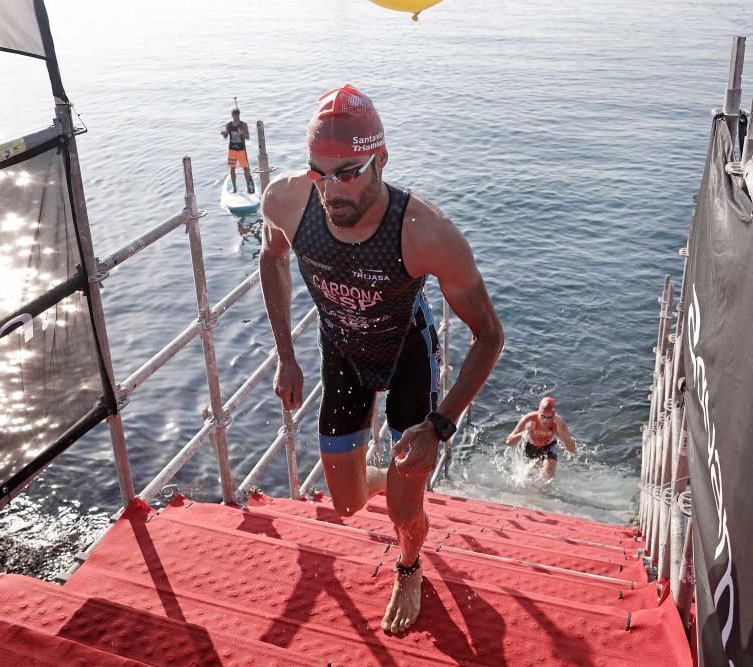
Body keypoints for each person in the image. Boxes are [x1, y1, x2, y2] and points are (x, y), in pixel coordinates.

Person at [258, 84, 503, 635]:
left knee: (402, 509)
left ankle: (410, 566)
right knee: (345, 505)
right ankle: (386, 479)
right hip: (341, 354)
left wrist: (439, 427)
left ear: (381, 160)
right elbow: (270, 260)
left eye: (349, 172)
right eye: (320, 173)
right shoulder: (287, 201)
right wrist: (285, 357)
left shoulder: (425, 233)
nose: (332, 190)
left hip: (405, 356)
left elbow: (488, 334)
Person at [505, 396, 576, 479]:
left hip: (549, 446)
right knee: (527, 476)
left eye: (549, 417)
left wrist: (560, 431)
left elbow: (572, 449)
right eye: (543, 416)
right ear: (538, 412)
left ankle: (543, 491)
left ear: (553, 415)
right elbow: (509, 442)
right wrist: (526, 432)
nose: (545, 421)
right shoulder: (529, 419)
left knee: (548, 473)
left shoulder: (558, 422)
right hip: (531, 445)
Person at [221, 107, 255, 193]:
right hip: (232, 150)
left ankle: (248, 186)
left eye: (237, 115)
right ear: (232, 116)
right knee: (232, 169)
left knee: (245, 169)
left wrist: (242, 133)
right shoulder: (229, 125)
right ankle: (234, 188)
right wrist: (224, 134)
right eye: (234, 115)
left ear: (239, 115)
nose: (236, 117)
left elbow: (248, 137)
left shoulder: (243, 125)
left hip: (241, 150)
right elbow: (225, 137)